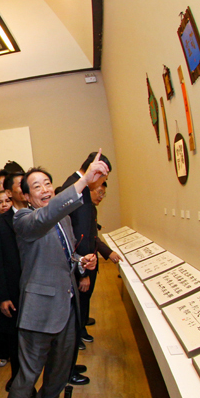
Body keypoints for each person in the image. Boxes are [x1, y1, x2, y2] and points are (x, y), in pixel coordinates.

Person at [0, 151, 109, 398]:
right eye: (37, 186)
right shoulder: (23, 219)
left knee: (61, 366)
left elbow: (65, 255)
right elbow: (46, 217)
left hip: (67, 305)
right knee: (28, 373)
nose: (45, 189)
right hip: (39, 309)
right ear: (26, 196)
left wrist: (81, 261)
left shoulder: (64, 220)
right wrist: (83, 181)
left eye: (48, 183)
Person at [60, 151, 113, 352]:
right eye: (103, 180)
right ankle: (74, 343)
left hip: (79, 261)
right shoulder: (78, 189)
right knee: (77, 305)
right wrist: (83, 273)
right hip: (78, 263)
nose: (101, 185)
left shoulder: (74, 184)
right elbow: (80, 234)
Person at [0, 172, 28, 389]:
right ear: (10, 192)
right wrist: (2, 296)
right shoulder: (0, 223)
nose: (25, 187)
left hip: (38, 288)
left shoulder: (39, 216)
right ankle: (19, 381)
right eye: (21, 185)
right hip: (14, 291)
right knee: (16, 338)